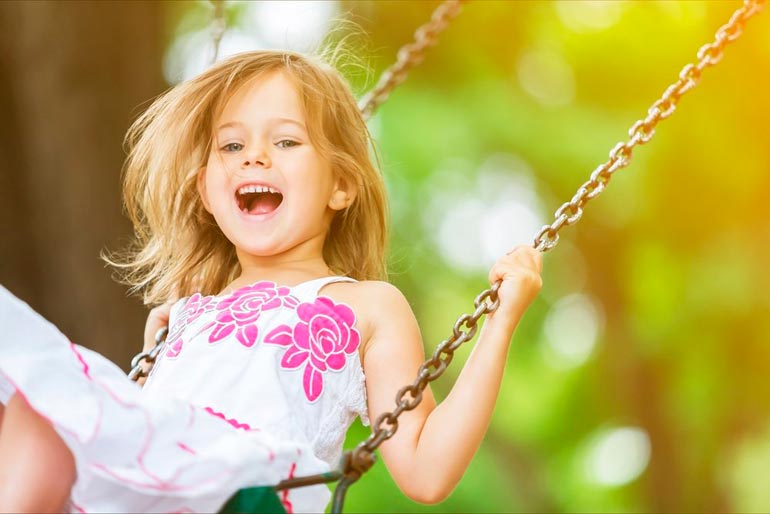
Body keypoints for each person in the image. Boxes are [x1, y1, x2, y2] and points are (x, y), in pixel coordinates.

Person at [0, 49, 543, 513]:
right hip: (157, 491)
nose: (254, 155)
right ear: (206, 191)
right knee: (39, 399)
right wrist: (149, 366)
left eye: (286, 142)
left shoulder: (365, 306)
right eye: (231, 146)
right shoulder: (187, 313)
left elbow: (425, 472)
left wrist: (501, 320)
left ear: (342, 186)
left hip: (252, 493)